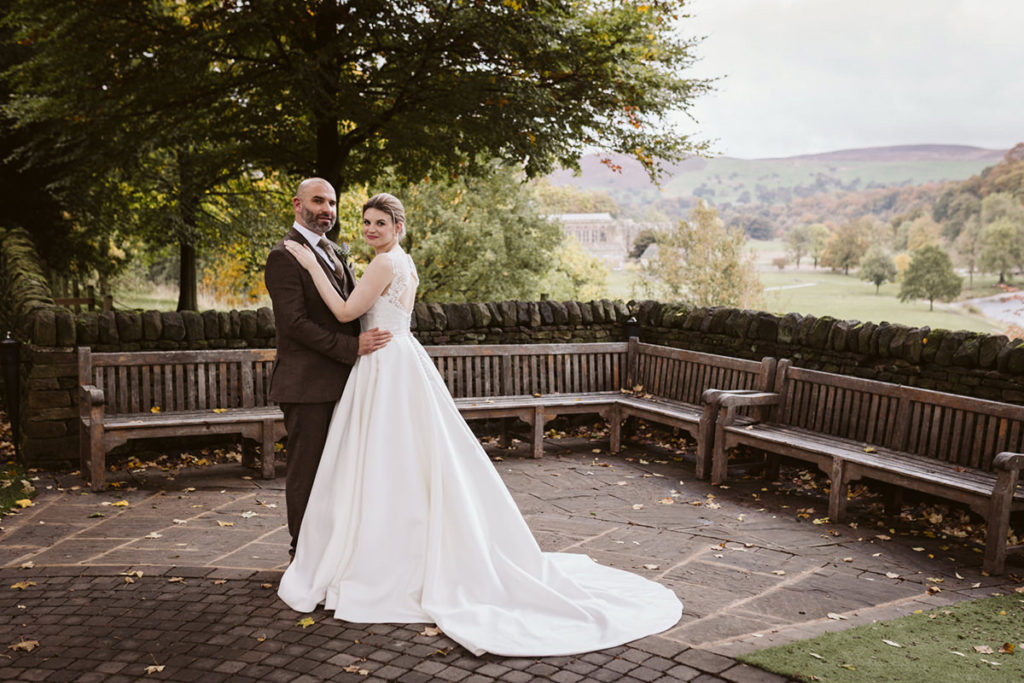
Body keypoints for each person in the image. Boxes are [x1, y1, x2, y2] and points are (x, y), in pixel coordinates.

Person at [277, 193, 682, 657]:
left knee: (383, 459)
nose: (370, 230)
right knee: (405, 459)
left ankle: (378, 556)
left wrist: (311, 268)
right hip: (399, 361)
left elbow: (347, 313)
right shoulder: (404, 263)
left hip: (383, 366)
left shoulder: (384, 265)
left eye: (380, 223)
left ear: (398, 227)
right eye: (367, 222)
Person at [264, 178, 391, 558]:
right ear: (297, 204)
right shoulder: (283, 256)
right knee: (307, 472)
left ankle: (334, 552)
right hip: (306, 386)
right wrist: (352, 348)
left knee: (338, 472)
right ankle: (301, 555)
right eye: (318, 201)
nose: (327, 210)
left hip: (344, 382)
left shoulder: (334, 250)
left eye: (332, 203)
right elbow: (295, 324)